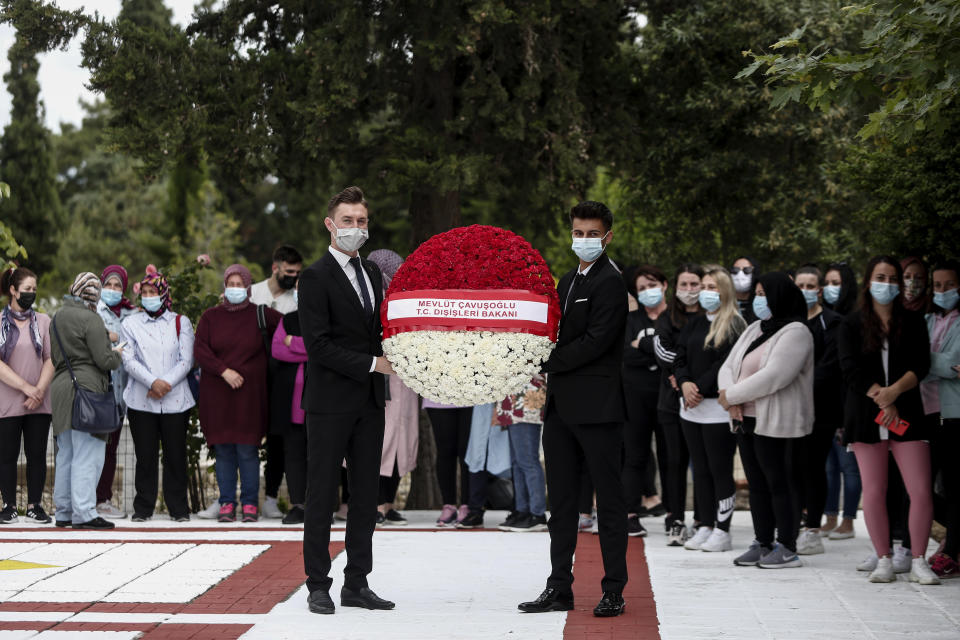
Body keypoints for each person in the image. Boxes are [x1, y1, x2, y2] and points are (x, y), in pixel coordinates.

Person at [519, 200, 628, 618]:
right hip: (561, 409)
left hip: (599, 409)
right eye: (578, 233)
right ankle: (558, 587)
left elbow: (596, 343)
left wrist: (543, 360)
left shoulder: (611, 282)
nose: (584, 240)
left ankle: (614, 589)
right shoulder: (566, 280)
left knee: (609, 502)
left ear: (607, 237)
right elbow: (552, 333)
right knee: (561, 503)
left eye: (592, 234)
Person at [298, 186, 395, 615]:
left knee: (365, 495)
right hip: (330, 402)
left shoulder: (374, 273)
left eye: (362, 221)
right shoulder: (315, 276)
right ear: (330, 224)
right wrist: (374, 364)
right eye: (349, 221)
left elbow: (378, 330)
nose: (357, 228)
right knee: (321, 493)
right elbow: (317, 346)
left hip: (370, 403)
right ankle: (318, 583)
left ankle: (357, 582)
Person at [837, 256, 939, 585]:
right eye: (881, 277)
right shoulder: (852, 324)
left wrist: (893, 393)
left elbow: (920, 365)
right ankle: (883, 558)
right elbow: (849, 367)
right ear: (868, 282)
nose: (888, 284)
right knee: (875, 490)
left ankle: (918, 558)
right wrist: (880, 396)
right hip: (866, 415)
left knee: (920, 490)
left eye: (894, 279)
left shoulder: (913, 321)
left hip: (907, 412)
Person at [719, 272, 814, 568]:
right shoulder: (756, 328)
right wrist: (730, 396)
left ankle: (786, 546)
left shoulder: (797, 332)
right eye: (757, 293)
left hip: (778, 423)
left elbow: (774, 377)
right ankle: (762, 542)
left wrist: (731, 396)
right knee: (757, 483)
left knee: (780, 483)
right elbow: (729, 365)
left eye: (764, 293)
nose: (759, 299)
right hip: (745, 418)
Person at [194, 264, 281, 523]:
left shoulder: (261, 315)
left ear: (248, 287)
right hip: (218, 396)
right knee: (224, 451)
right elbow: (200, 350)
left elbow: (291, 329)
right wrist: (224, 371)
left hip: (250, 397)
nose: (235, 289)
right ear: (224, 287)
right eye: (230, 284)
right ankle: (227, 504)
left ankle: (250, 505)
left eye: (239, 284)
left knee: (247, 450)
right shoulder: (211, 317)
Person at [674, 265, 745, 553]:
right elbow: (679, 358)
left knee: (719, 469)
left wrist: (698, 388)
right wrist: (684, 384)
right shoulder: (694, 323)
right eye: (704, 287)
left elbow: (725, 365)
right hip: (690, 408)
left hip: (716, 409)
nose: (706, 293)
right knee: (700, 470)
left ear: (725, 291)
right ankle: (704, 524)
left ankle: (722, 529)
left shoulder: (735, 324)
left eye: (712, 287)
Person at [119, 270, 194, 522]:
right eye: (146, 292)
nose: (149, 297)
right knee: (145, 456)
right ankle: (143, 508)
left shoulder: (180, 322)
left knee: (175, 455)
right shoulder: (130, 323)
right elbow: (128, 358)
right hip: (142, 399)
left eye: (154, 292)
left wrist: (165, 384)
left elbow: (187, 360)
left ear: (164, 294)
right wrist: (152, 382)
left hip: (176, 400)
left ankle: (179, 508)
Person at [50, 273, 123, 529]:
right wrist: (117, 355)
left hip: (60, 388)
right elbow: (104, 360)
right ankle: (84, 513)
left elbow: (55, 356)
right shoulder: (91, 318)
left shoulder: (57, 317)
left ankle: (64, 512)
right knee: (87, 454)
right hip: (86, 389)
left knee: (66, 454)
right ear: (93, 294)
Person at [793, 265, 845, 553]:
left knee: (814, 467)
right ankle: (798, 520)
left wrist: (795, 381)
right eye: (800, 285)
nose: (805, 291)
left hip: (822, 410)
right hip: (791, 409)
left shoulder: (833, 322)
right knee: (794, 467)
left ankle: (813, 527)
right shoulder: (790, 323)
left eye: (810, 286)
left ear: (820, 290)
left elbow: (830, 366)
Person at [250, 244, 303, 520]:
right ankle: (253, 497)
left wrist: (292, 343)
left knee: (280, 439)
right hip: (251, 374)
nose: (293, 277)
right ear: (275, 267)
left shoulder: (297, 300)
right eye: (289, 271)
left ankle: (272, 497)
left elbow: (289, 342)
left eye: (297, 273)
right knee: (255, 437)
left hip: (284, 377)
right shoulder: (252, 293)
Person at [654, 264, 704, 545]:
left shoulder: (713, 316)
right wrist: (682, 377)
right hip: (672, 402)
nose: (689, 290)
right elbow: (662, 350)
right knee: (674, 462)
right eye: (684, 285)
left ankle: (702, 519)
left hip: (704, 399)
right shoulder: (666, 317)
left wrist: (694, 380)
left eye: (694, 284)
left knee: (703, 463)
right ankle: (675, 519)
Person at [367, 249, 418, 528]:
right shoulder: (370, 299)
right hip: (380, 376)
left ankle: (388, 504)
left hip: (405, 380)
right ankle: (374, 504)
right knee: (379, 444)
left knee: (402, 442)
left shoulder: (407, 300)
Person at [622, 265, 672, 538]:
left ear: (664, 284)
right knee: (634, 456)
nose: (647, 291)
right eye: (641, 288)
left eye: (651, 284)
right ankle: (630, 514)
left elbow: (676, 354)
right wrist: (656, 353)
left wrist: (641, 346)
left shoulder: (674, 318)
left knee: (670, 457)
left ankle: (673, 515)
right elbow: (624, 356)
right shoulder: (631, 319)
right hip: (635, 398)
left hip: (669, 398)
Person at [0, 267, 53, 525]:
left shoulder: (43, 321)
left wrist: (39, 390)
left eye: (34, 289)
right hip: (8, 400)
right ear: (13, 289)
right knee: (7, 455)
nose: (31, 293)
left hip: (39, 401)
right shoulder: (0, 322)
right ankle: (8, 505)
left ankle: (35, 505)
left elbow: (50, 359)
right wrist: (26, 387)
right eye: (27, 289)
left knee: (36, 454)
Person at [921, 261, 960, 578]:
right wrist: (945, 364)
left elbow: (923, 360)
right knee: (923, 485)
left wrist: (924, 361)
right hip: (924, 413)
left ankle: (951, 551)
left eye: (949, 285)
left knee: (954, 484)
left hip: (955, 413)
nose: (943, 291)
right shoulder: (925, 320)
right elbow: (914, 358)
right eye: (937, 285)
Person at [95, 265, 138, 519]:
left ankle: (103, 499)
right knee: (92, 447)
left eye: (117, 286)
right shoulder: (93, 311)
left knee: (111, 448)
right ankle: (86, 498)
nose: (112, 290)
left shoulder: (131, 315)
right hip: (97, 390)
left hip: (121, 394)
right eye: (108, 285)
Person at [270, 279, 309, 525]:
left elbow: (325, 348)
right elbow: (276, 349)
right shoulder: (288, 319)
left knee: (321, 456)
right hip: (291, 402)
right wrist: (307, 349)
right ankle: (298, 504)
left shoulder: (329, 318)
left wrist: (293, 343)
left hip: (322, 401)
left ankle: (319, 504)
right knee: (293, 454)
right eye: (298, 290)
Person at [497, 375, 548, 532]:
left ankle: (537, 514)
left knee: (527, 461)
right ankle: (522, 510)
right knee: (517, 463)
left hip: (527, 398)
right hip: (511, 400)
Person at [425, 400, 474, 526]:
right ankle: (448, 506)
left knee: (467, 452)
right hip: (439, 395)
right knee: (445, 451)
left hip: (473, 394)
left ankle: (467, 506)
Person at [731, 256, 760, 323]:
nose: (740, 274)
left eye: (747, 270)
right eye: (735, 270)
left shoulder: (761, 304)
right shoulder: (724, 302)